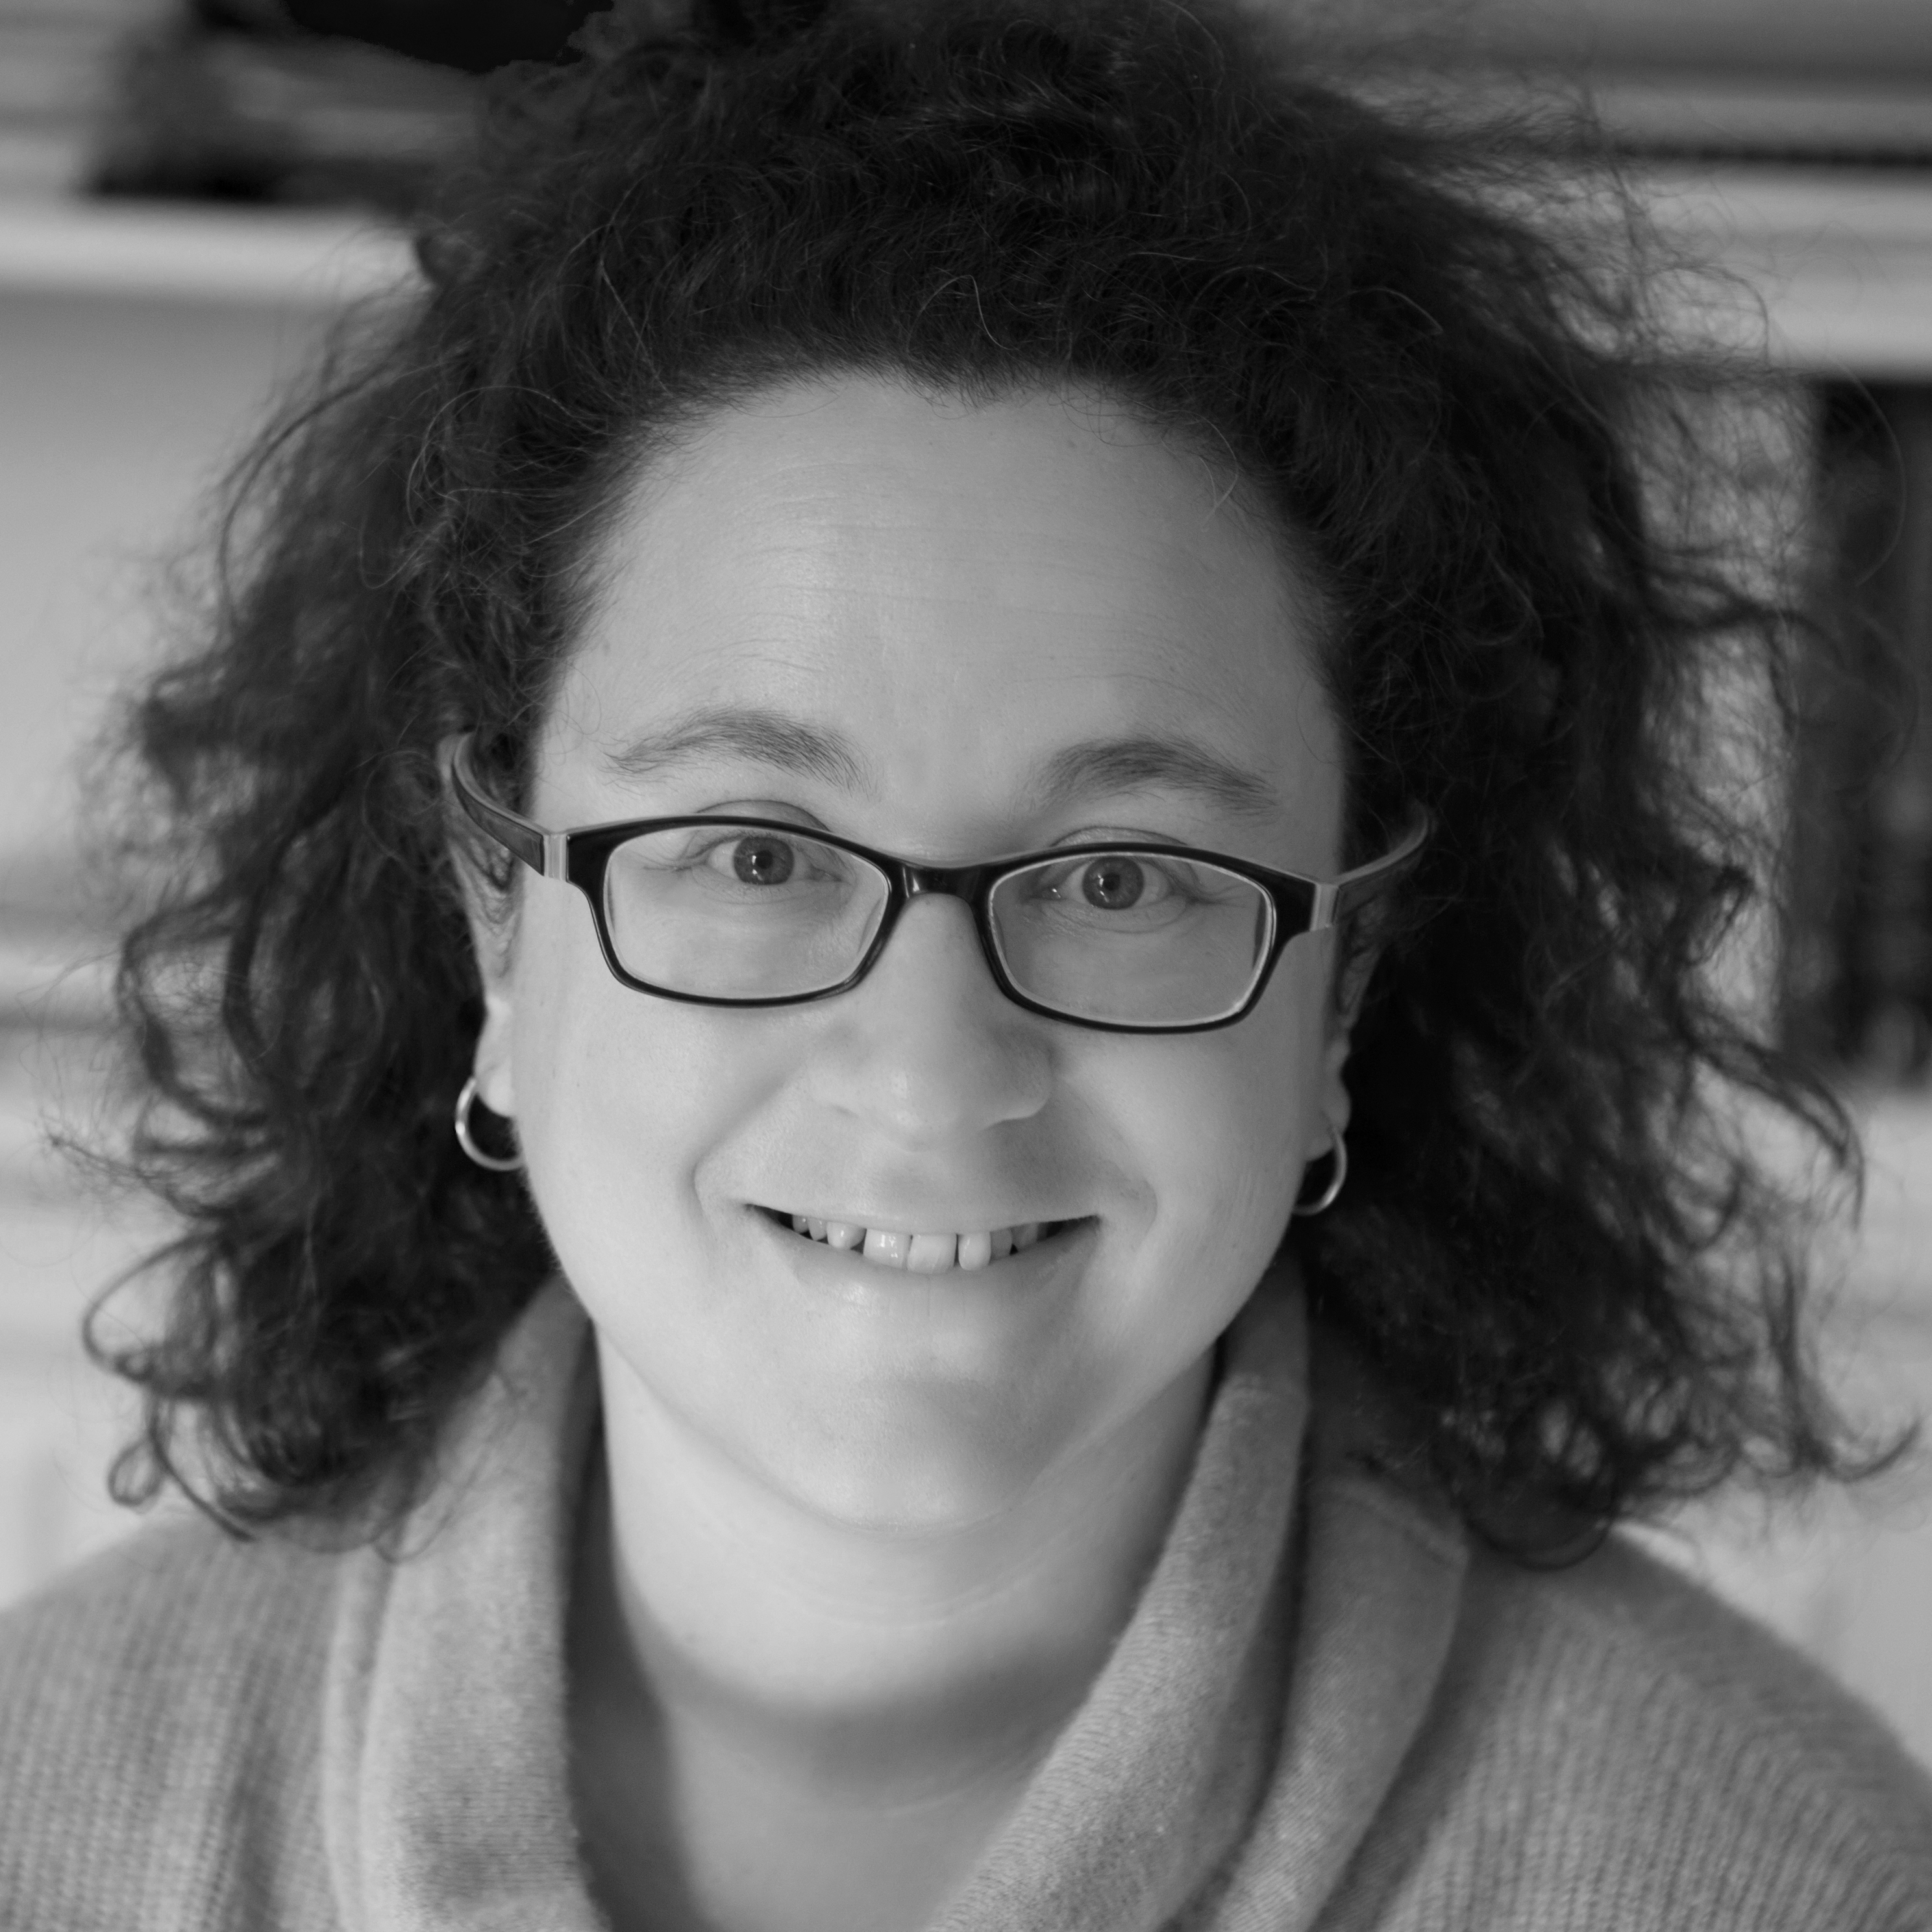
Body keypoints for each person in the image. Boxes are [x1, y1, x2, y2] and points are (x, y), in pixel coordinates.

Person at [4, 0, 1930, 1926]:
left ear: (1340, 982)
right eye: (756, 852)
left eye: (1122, 877)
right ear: (500, 926)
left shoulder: (1785, 1886)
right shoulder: (42, 1804)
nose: (932, 1073)